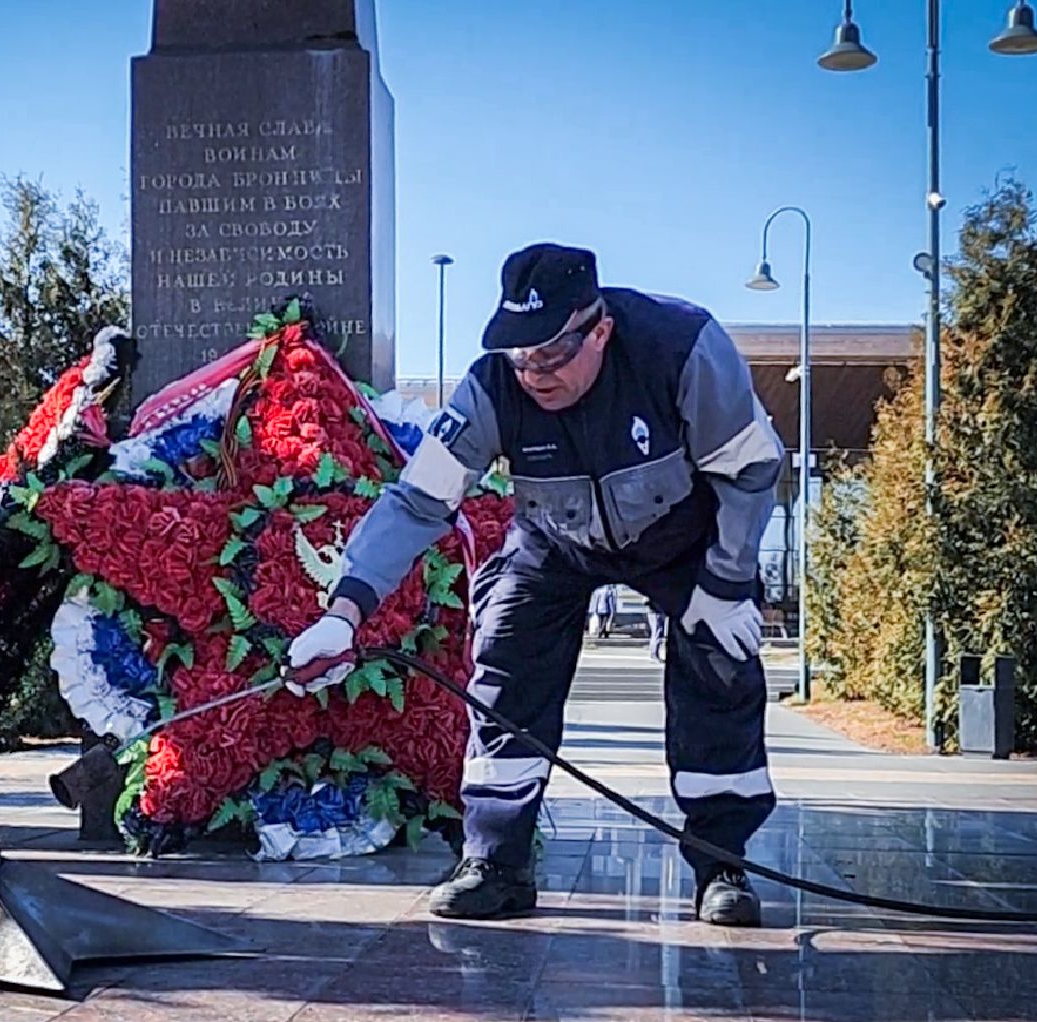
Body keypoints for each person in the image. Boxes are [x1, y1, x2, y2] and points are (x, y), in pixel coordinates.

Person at [284, 244, 782, 925]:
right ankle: (496, 861)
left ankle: (723, 864)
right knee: (506, 649)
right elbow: (417, 503)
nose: (534, 375)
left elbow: (752, 470)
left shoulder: (683, 348)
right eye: (521, 357)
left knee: (718, 668)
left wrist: (725, 583)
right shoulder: (492, 387)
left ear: (598, 330)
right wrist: (343, 615)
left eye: (550, 355)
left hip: (686, 539)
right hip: (557, 540)